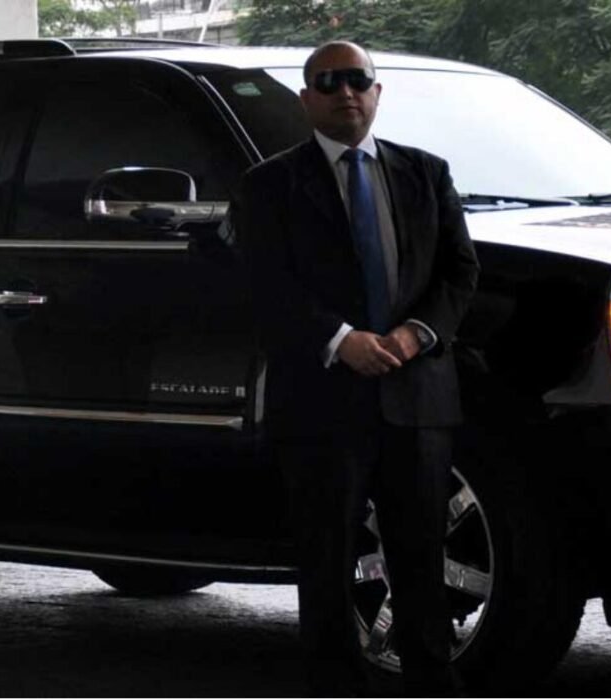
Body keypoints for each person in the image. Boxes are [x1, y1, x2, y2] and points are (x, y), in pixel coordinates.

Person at [233, 41, 480, 696]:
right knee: (326, 564)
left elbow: (459, 272)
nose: (345, 92)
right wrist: (341, 340)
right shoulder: (269, 186)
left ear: (376, 92)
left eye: (356, 80)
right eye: (327, 82)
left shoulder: (427, 174)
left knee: (421, 557)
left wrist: (414, 335)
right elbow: (265, 283)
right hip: (321, 402)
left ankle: (432, 684)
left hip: (417, 398)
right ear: (305, 99)